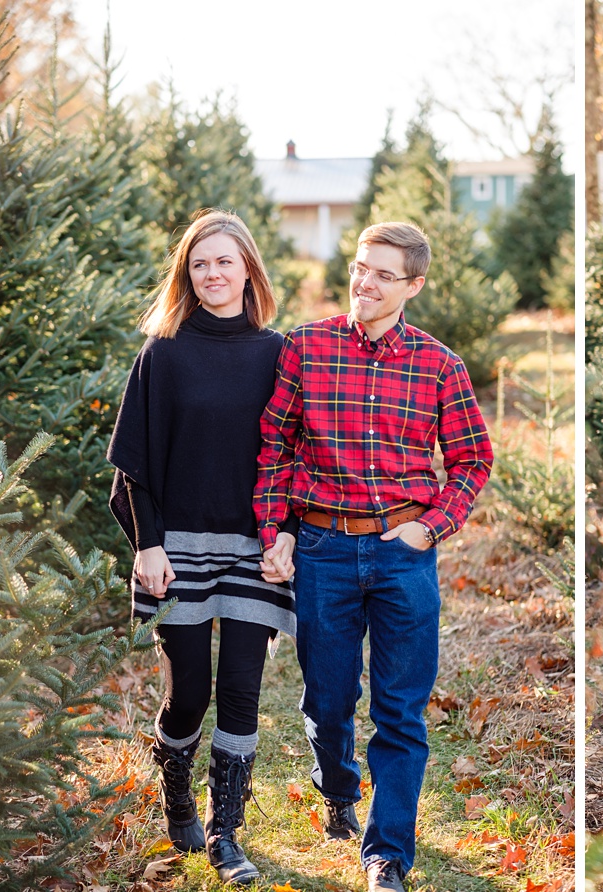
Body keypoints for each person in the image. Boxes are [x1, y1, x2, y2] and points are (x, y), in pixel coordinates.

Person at [253, 221, 493, 892]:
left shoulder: (439, 364)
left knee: (400, 710)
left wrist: (432, 527)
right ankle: (336, 788)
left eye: (384, 273)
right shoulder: (305, 347)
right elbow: (274, 447)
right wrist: (278, 529)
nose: (365, 281)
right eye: (361, 267)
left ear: (414, 285)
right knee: (329, 700)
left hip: (401, 553)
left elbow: (473, 459)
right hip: (324, 549)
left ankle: (386, 853)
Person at [107, 209, 296, 885]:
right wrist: (147, 546)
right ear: (186, 275)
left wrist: (288, 538)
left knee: (241, 690)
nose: (213, 274)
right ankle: (177, 792)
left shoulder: (278, 353)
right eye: (199, 263)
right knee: (190, 692)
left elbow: (295, 459)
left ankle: (225, 830)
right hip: (177, 549)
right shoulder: (162, 353)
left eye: (224, 260)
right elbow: (134, 466)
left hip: (254, 549)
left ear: (248, 266)